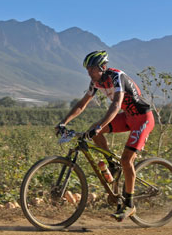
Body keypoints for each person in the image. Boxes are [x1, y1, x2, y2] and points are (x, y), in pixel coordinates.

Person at [56, 50, 154, 221]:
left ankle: (130, 205)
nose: (89, 73)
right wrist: (64, 122)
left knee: (126, 160)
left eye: (92, 69)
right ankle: (111, 163)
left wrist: (101, 125)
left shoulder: (117, 77)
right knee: (94, 131)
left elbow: (116, 104)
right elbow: (82, 104)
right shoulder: (95, 83)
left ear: (102, 67)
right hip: (128, 117)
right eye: (87, 69)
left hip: (142, 118)